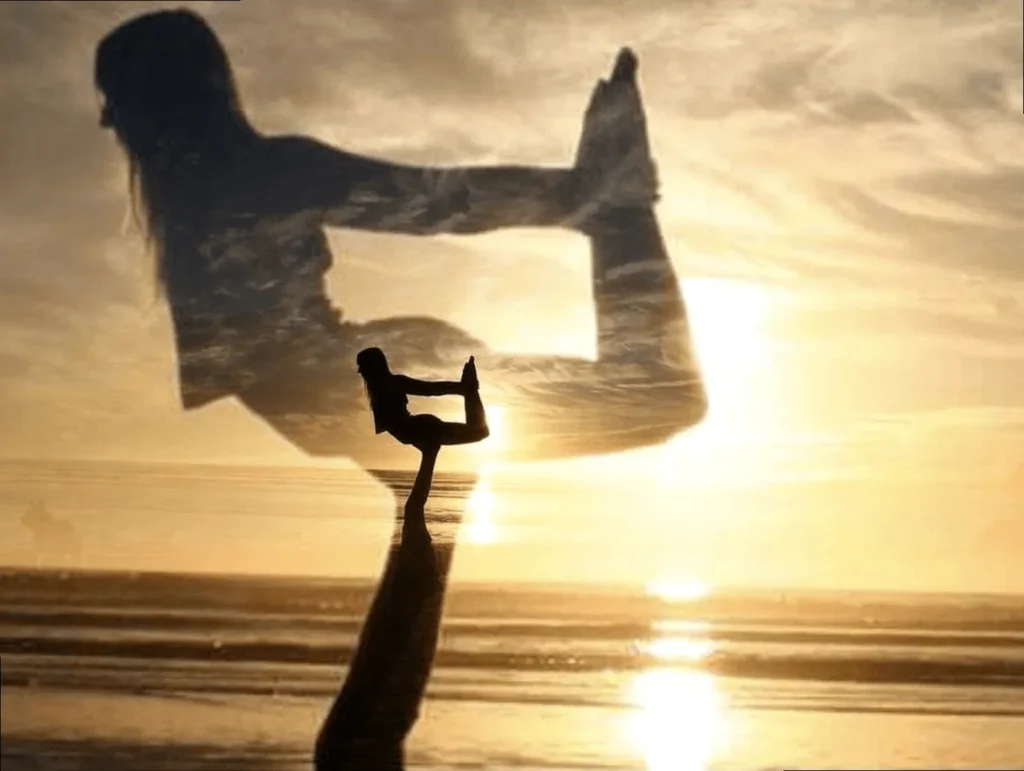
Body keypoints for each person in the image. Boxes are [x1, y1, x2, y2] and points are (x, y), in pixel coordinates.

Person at [94, 9, 708, 472]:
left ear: (155, 100)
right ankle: (621, 209)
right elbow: (433, 202)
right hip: (351, 398)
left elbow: (431, 203)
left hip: (332, 407)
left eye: (112, 99)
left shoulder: (202, 195)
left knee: (655, 399)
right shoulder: (248, 177)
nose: (107, 119)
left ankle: (616, 203)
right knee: (664, 400)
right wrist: (595, 193)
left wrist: (583, 189)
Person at [356, 348, 489, 451]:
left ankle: (470, 387)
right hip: (417, 431)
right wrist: (461, 388)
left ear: (374, 366)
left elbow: (428, 389)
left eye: (362, 365)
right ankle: (469, 387)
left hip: (424, 429)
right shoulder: (378, 391)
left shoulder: (392, 383)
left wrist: (462, 388)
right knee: (479, 433)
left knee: (479, 433)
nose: (359, 370)